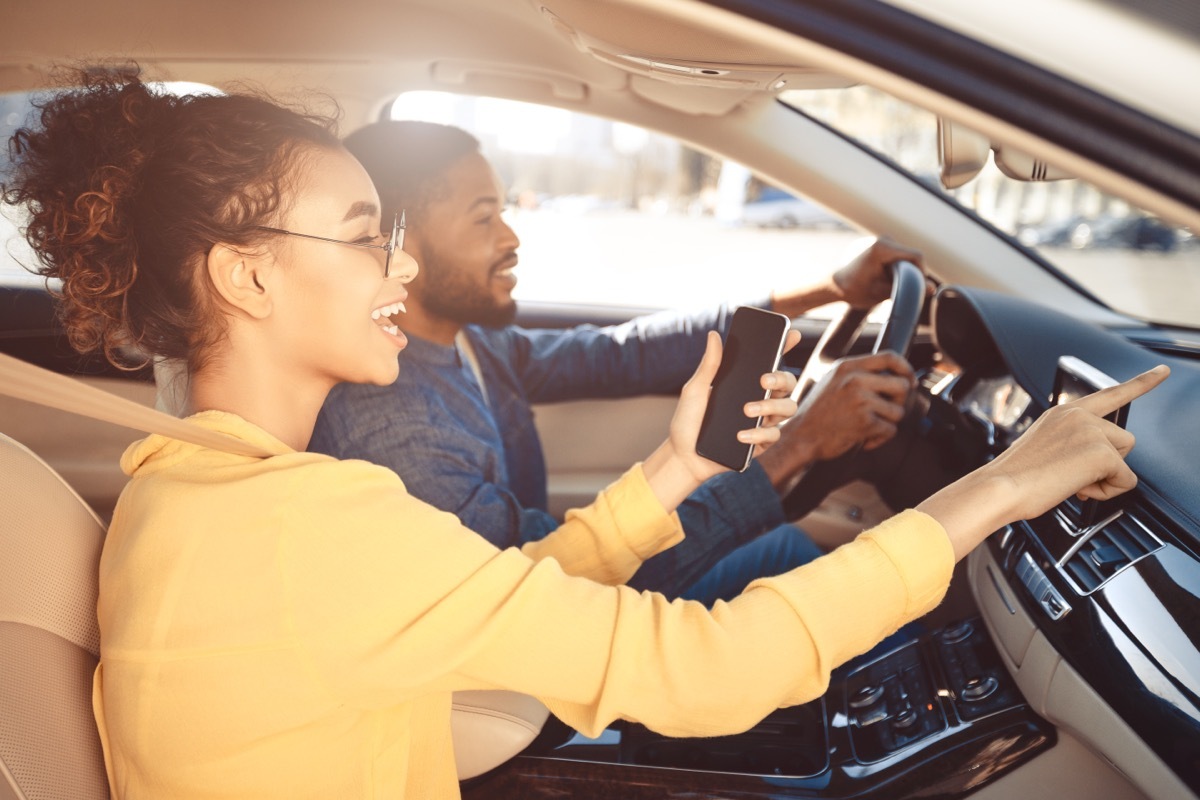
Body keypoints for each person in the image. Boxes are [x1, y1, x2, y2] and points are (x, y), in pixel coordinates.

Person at [5, 70, 1167, 800]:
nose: (398, 268)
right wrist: (1002, 487)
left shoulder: (205, 488)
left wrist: (674, 468)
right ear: (248, 273)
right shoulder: (306, 524)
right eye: (365, 235)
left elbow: (483, 591)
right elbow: (713, 667)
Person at [311, 120, 921, 603]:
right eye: (484, 217)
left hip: (568, 585)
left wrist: (829, 289)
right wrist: (800, 445)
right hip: (551, 622)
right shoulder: (392, 418)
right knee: (787, 559)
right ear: (402, 243)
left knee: (785, 550)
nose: (511, 237)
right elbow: (551, 591)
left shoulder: (470, 342)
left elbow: (619, 353)